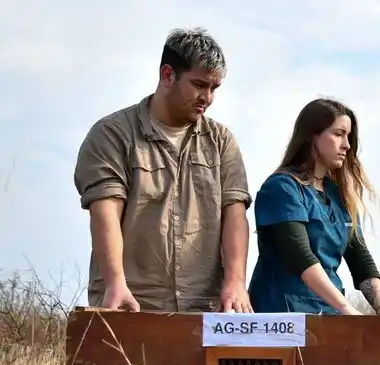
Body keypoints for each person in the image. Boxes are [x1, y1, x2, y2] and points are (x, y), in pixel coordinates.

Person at [72, 27, 253, 313]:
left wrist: (236, 282)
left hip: (204, 305)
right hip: (132, 303)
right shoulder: (112, 134)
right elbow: (105, 212)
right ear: (167, 75)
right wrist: (115, 283)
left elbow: (235, 214)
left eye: (214, 88)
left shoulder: (221, 141)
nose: (207, 97)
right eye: (199, 85)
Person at [247, 98, 380, 316]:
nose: (347, 145)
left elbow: (361, 260)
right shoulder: (281, 188)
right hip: (282, 316)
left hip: (330, 316)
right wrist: (348, 309)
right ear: (311, 136)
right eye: (338, 134)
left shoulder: (339, 196)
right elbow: (302, 259)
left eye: (349, 136)